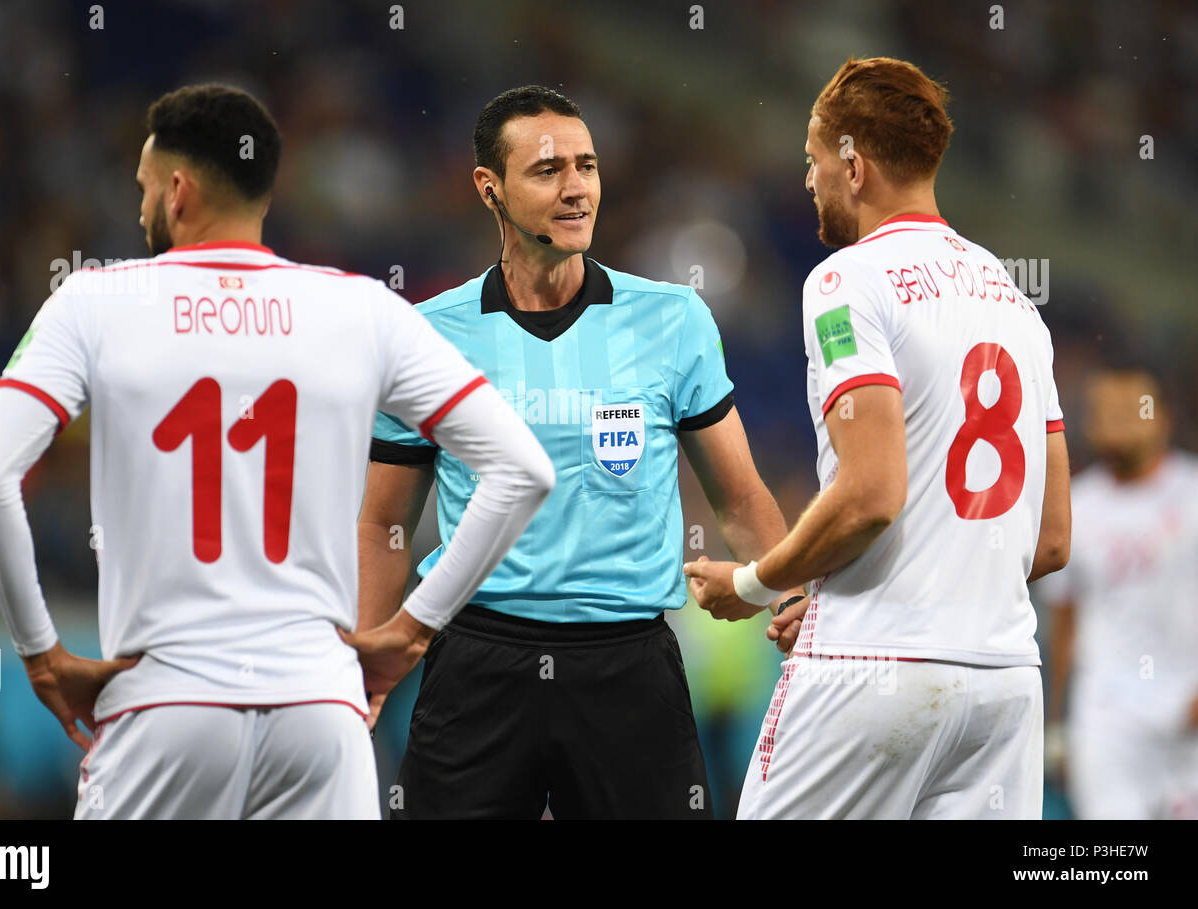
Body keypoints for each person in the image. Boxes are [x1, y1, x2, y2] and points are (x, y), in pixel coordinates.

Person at [0, 83, 554, 820]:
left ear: (175, 191)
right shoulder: (361, 308)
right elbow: (523, 470)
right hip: (322, 712)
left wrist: (41, 652)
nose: (142, 208)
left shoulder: (91, 301)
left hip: (165, 702)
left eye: (144, 188)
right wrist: (412, 627)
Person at [359, 85, 801, 820]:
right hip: (477, 664)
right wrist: (367, 662)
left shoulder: (673, 318)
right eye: (547, 170)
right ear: (489, 188)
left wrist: (792, 602)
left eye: (586, 166)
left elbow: (742, 495)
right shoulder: (426, 333)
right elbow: (381, 523)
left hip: (629, 670)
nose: (575, 188)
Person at [685, 56, 1071, 819]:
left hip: (873, 670)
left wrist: (755, 581)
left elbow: (870, 495)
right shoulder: (1015, 301)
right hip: (1004, 683)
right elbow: (1052, 538)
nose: (810, 179)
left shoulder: (847, 280)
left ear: (854, 162)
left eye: (815, 159)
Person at [1040, 367, 1198, 819]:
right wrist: (1059, 721)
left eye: (1134, 409)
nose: (1119, 421)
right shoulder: (1075, 508)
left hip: (1188, 713)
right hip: (1107, 720)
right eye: (1107, 411)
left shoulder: (1193, 496)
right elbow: (1065, 622)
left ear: (1164, 417)